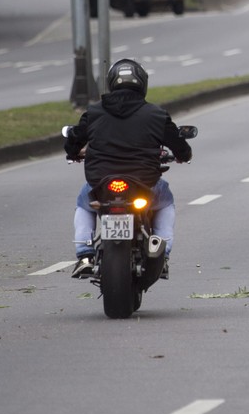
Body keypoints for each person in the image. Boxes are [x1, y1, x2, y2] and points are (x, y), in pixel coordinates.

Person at [64, 59, 193, 279]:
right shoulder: (156, 114)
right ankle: (162, 255)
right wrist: (183, 156)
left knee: (84, 203)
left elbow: (73, 139)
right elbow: (179, 146)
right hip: (144, 183)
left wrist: (75, 152)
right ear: (143, 83)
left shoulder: (94, 113)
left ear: (112, 83)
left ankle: (85, 255)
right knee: (166, 201)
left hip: (101, 184)